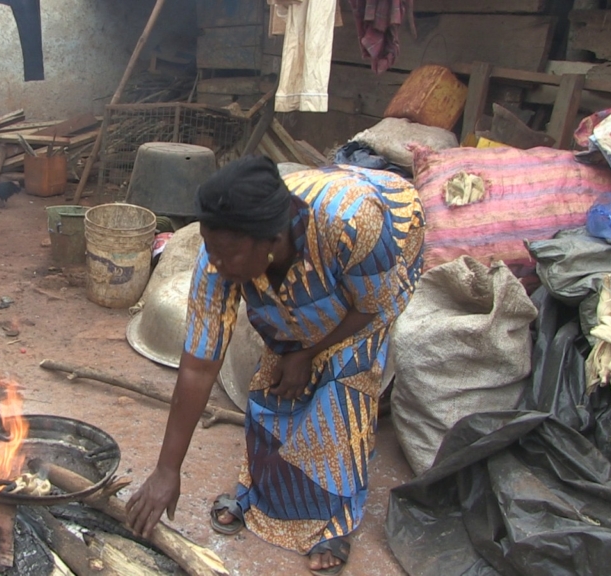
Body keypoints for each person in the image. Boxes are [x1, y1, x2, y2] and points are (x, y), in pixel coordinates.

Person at [125, 156, 425, 575]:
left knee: (343, 374)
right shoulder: (221, 258)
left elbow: (371, 308)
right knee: (277, 369)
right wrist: (166, 470)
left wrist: (309, 352)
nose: (218, 264)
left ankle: (335, 520)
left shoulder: (353, 224)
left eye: (228, 255)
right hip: (311, 247)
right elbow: (197, 367)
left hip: (387, 242)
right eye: (211, 251)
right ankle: (263, 494)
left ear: (271, 239)